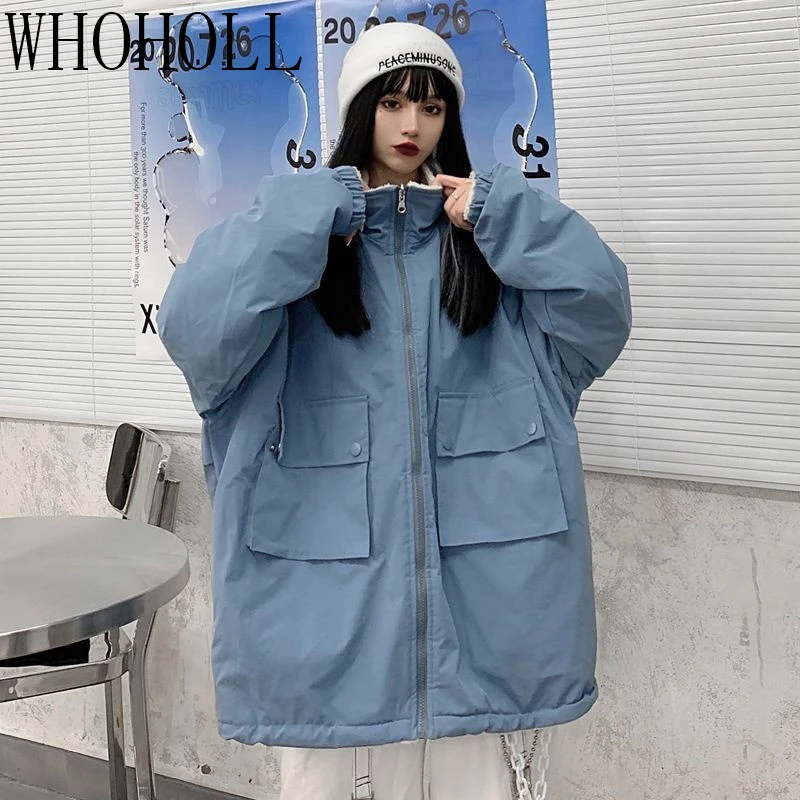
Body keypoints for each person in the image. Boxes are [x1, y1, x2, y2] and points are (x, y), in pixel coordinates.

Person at [157, 21, 632, 800]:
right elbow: (191, 322)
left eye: (433, 107)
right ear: (358, 113)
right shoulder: (291, 281)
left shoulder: (502, 279)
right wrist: (312, 212)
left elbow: (601, 304)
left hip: (490, 672)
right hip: (328, 678)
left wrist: (507, 214)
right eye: (392, 103)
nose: (413, 124)